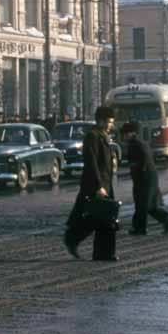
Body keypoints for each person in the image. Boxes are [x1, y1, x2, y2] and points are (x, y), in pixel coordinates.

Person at [63, 106, 118, 261]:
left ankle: (104, 253)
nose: (110, 125)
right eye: (108, 122)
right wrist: (99, 185)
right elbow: (92, 163)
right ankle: (73, 239)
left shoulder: (102, 135)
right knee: (96, 218)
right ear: (100, 121)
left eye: (111, 122)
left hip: (105, 184)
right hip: (95, 185)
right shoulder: (92, 137)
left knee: (106, 220)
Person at [122, 121, 168, 235]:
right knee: (150, 206)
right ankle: (166, 219)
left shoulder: (135, 144)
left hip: (144, 178)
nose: (124, 136)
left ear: (132, 133)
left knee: (142, 205)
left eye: (126, 134)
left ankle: (140, 228)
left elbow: (142, 160)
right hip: (148, 177)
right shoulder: (140, 142)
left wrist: (139, 170)